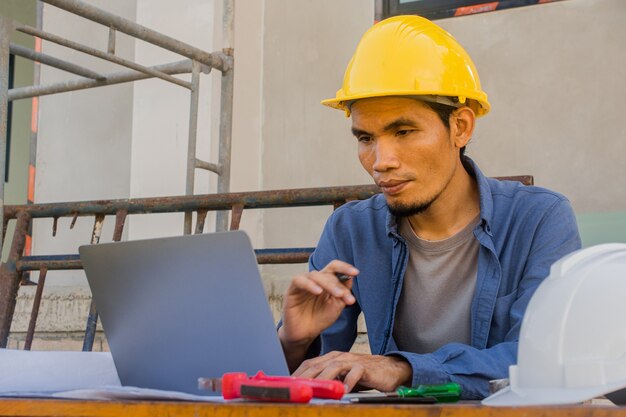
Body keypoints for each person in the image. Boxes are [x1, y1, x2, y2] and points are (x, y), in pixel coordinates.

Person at [277, 15, 581, 400]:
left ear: (461, 127)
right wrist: (293, 340)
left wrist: (403, 368)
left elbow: (541, 358)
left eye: (404, 132)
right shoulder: (350, 229)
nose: (380, 160)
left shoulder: (540, 220)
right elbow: (309, 377)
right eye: (366, 137)